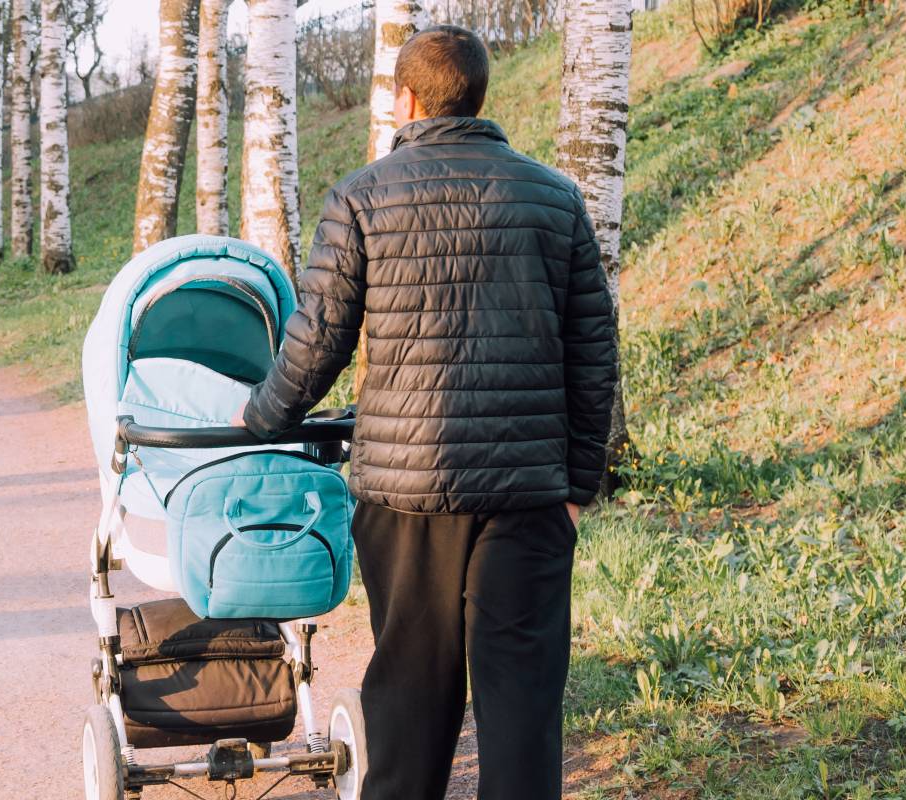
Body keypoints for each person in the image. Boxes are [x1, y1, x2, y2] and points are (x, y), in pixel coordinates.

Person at [234, 26, 617, 800]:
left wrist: (260, 421)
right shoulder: (555, 197)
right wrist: (579, 485)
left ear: (405, 100)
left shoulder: (361, 197)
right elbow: (593, 353)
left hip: (408, 494)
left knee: (409, 695)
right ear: (479, 95)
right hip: (528, 496)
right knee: (521, 706)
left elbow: (316, 346)